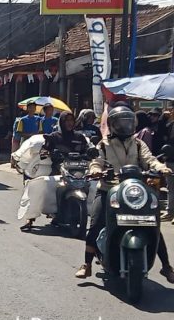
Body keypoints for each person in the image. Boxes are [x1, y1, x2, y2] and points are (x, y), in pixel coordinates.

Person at [75, 107, 174, 283]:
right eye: (120, 122)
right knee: (96, 222)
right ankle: (87, 264)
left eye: (127, 122)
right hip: (108, 189)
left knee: (153, 224)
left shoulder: (137, 143)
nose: (124, 125)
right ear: (112, 125)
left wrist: (160, 168)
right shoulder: (103, 144)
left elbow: (149, 159)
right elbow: (96, 161)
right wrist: (97, 170)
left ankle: (166, 267)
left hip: (134, 190)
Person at [20, 111, 90, 231]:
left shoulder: (79, 137)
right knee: (40, 186)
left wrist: (91, 153)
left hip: (79, 170)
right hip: (59, 170)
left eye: (71, 120)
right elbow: (43, 151)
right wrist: (49, 153)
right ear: (62, 122)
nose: (69, 123)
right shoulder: (54, 137)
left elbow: (87, 150)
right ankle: (30, 219)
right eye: (66, 120)